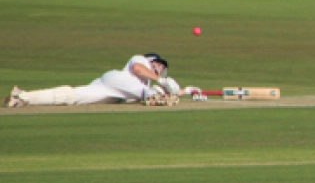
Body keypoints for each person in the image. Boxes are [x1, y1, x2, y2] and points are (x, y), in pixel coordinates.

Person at [3, 53, 189, 107]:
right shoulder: (141, 59)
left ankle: (23, 97)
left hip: (110, 91)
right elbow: (137, 70)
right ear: (152, 60)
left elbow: (172, 92)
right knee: (150, 93)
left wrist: (187, 91)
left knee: (72, 96)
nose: (161, 68)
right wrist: (161, 83)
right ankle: (151, 98)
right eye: (159, 64)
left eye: (163, 68)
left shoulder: (150, 81)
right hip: (119, 79)